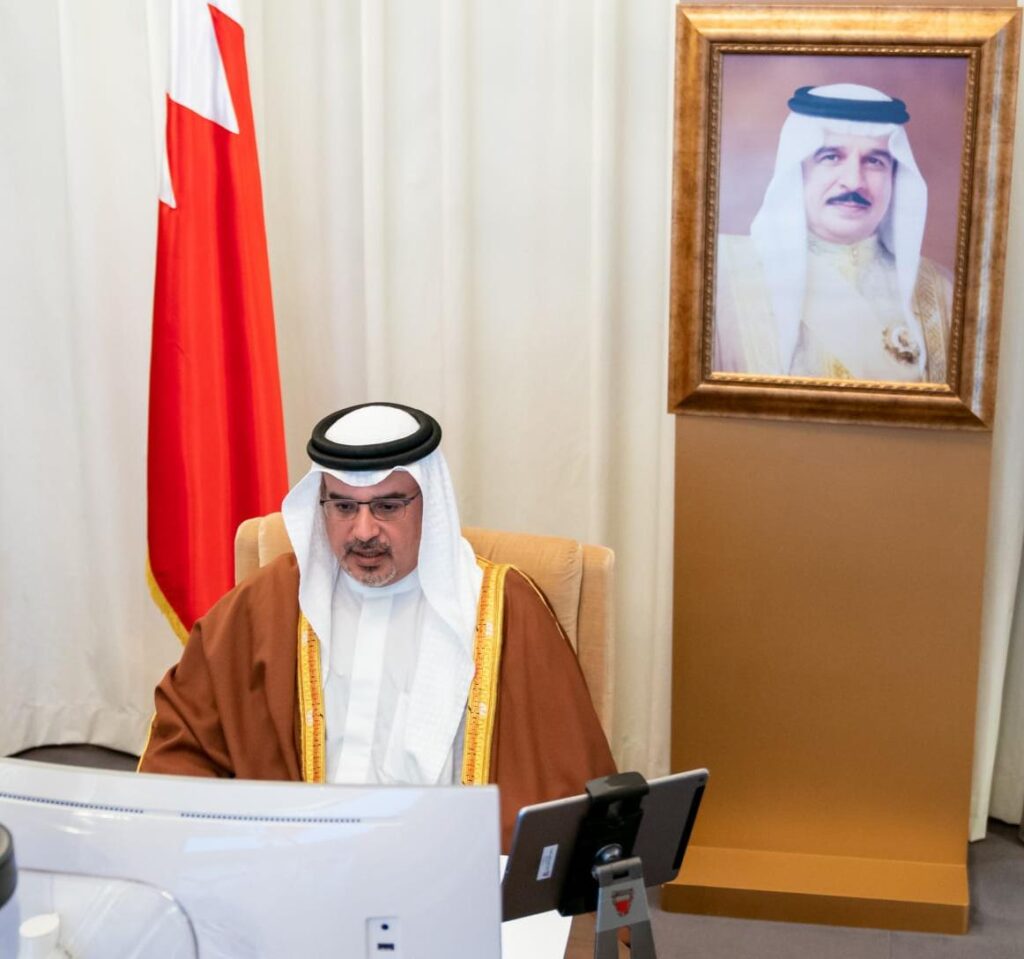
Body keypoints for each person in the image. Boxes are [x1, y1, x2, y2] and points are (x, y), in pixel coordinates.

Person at [139, 402, 616, 848]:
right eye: (344, 507)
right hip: (298, 865)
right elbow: (185, 747)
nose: (364, 531)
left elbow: (566, 792)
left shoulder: (502, 611)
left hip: (441, 871)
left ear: (429, 502)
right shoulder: (267, 606)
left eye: (388, 506)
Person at [714, 83, 953, 382]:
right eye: (831, 157)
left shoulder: (940, 291)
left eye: (874, 161)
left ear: (894, 177)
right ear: (797, 170)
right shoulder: (721, 277)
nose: (854, 182)